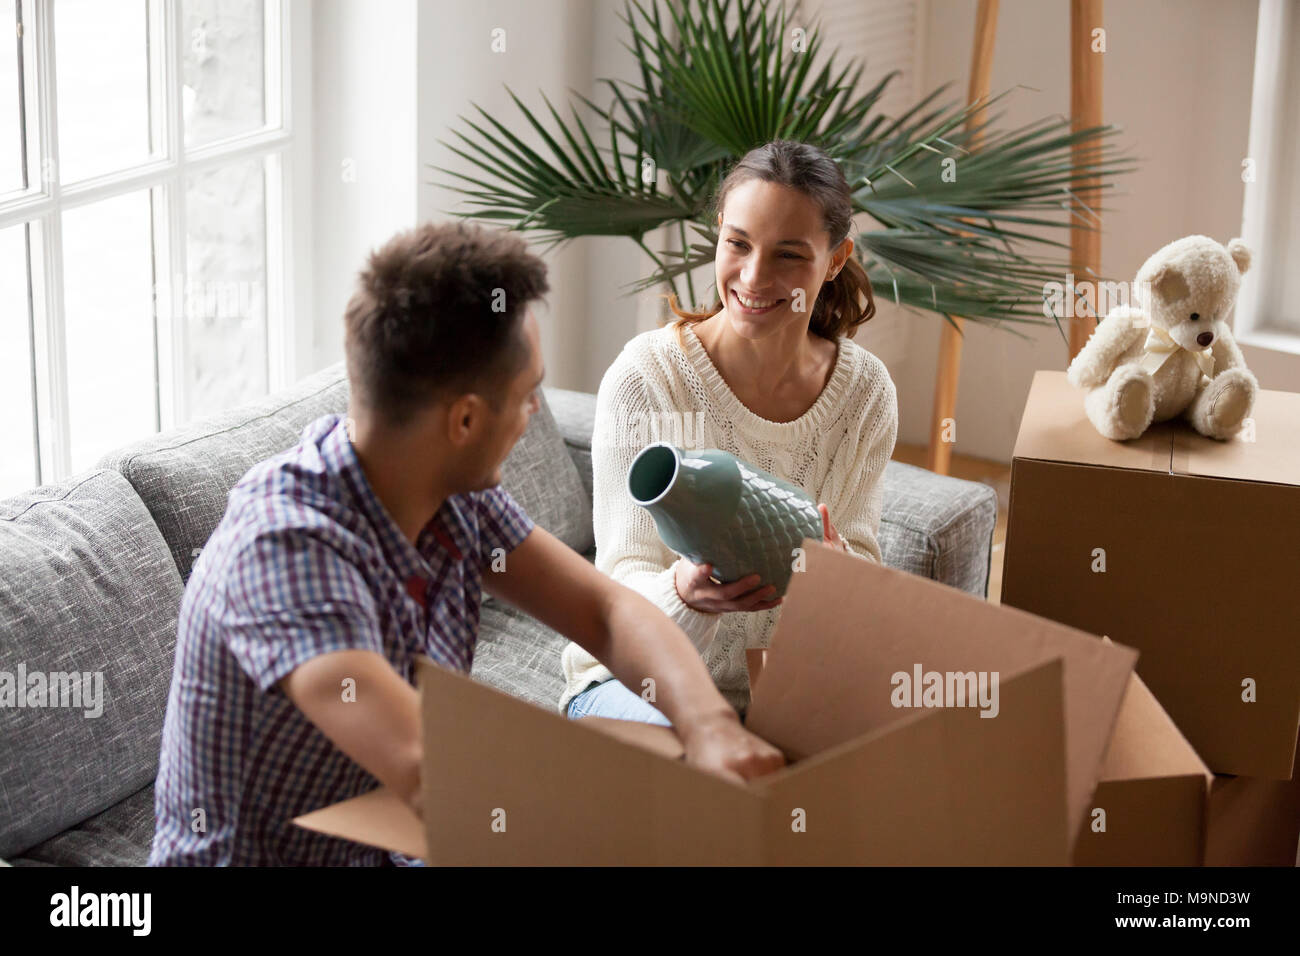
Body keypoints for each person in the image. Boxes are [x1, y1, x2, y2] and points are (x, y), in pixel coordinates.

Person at [149, 221, 784, 866]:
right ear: (465, 420)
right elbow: (429, 771)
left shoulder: (447, 491)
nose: (536, 411)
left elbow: (607, 612)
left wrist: (710, 728)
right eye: (526, 393)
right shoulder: (285, 552)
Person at [561, 140, 899, 725]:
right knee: (708, 772)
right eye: (738, 243)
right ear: (719, 231)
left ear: (837, 258)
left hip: (778, 693)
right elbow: (617, 590)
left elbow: (863, 569)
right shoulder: (649, 380)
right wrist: (685, 594)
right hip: (636, 683)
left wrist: (838, 578)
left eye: (789, 255)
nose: (754, 277)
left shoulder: (865, 393)